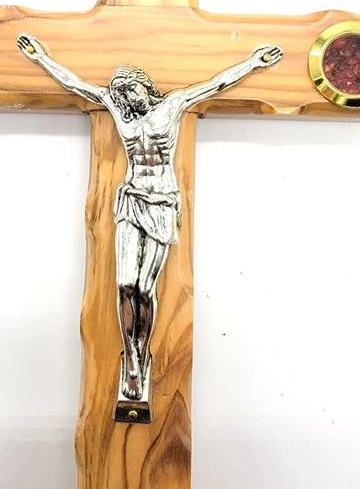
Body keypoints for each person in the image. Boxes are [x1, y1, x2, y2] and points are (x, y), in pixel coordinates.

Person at [17, 33, 282, 400]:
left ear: (145, 85)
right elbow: (76, 85)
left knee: (144, 288)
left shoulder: (173, 104)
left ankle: (143, 350)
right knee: (124, 283)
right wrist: (41, 59)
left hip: (162, 203)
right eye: (123, 95)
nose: (129, 99)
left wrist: (252, 63)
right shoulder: (119, 108)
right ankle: (132, 359)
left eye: (133, 91)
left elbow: (217, 83)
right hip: (131, 198)